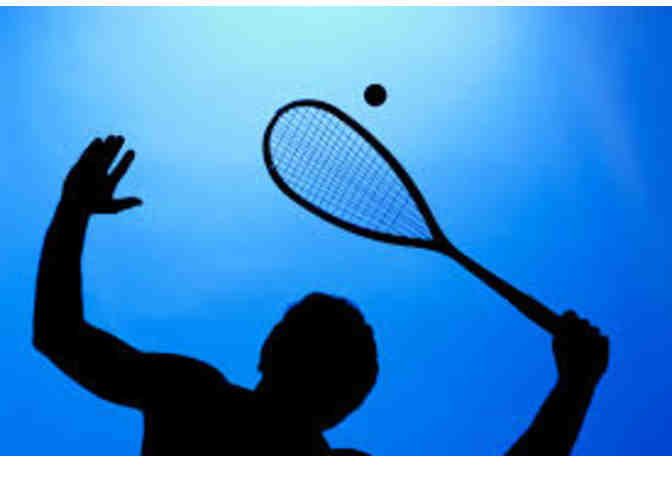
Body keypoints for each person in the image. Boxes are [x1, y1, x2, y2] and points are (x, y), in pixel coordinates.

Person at [34, 135, 609, 455]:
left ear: (268, 350)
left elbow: (58, 335)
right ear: (350, 401)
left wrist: (73, 211)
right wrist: (575, 385)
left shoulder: (190, 395)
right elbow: (59, 336)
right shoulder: (193, 395)